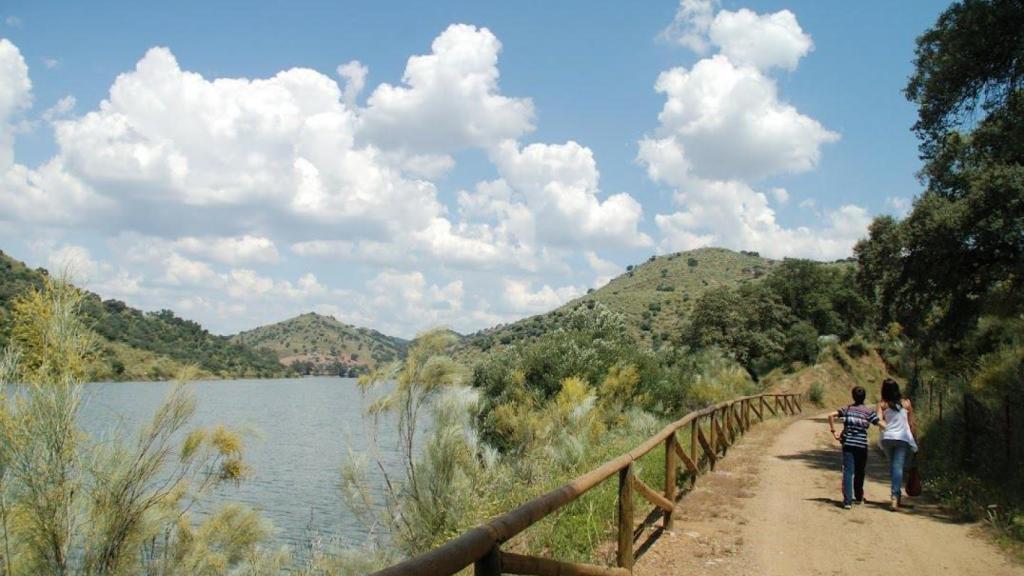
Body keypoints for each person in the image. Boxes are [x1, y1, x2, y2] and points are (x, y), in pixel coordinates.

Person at [828, 386, 881, 509]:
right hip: (862, 445)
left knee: (848, 471)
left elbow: (831, 415)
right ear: (864, 397)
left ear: (853, 396)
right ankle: (858, 496)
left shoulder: (847, 409)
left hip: (848, 444)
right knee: (860, 472)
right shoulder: (868, 412)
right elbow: (879, 422)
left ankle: (847, 501)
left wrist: (833, 431)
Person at [878, 378, 917, 511]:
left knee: (894, 467)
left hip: (887, 439)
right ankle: (895, 498)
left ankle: (897, 497)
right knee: (898, 467)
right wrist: (915, 439)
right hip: (902, 439)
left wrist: (887, 427)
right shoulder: (906, 403)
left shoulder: (883, 405)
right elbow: (912, 424)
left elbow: (878, 421)